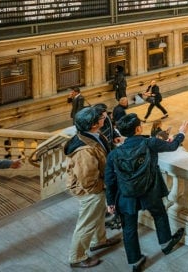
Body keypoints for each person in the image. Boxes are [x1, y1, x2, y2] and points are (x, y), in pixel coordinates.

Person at [105, 114, 188, 271]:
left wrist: (110, 201)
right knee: (159, 214)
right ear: (138, 128)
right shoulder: (150, 143)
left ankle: (135, 262)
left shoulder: (114, 154)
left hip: (126, 195)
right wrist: (182, 132)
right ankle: (166, 243)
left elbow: (110, 180)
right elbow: (172, 146)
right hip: (149, 191)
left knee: (129, 229)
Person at [65, 107, 120, 269]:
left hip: (97, 187)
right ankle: (77, 257)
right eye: (102, 117)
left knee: (97, 215)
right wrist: (106, 185)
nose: (105, 118)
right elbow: (88, 181)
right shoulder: (85, 150)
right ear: (94, 124)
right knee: (87, 223)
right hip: (91, 191)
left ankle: (99, 241)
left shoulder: (91, 134)